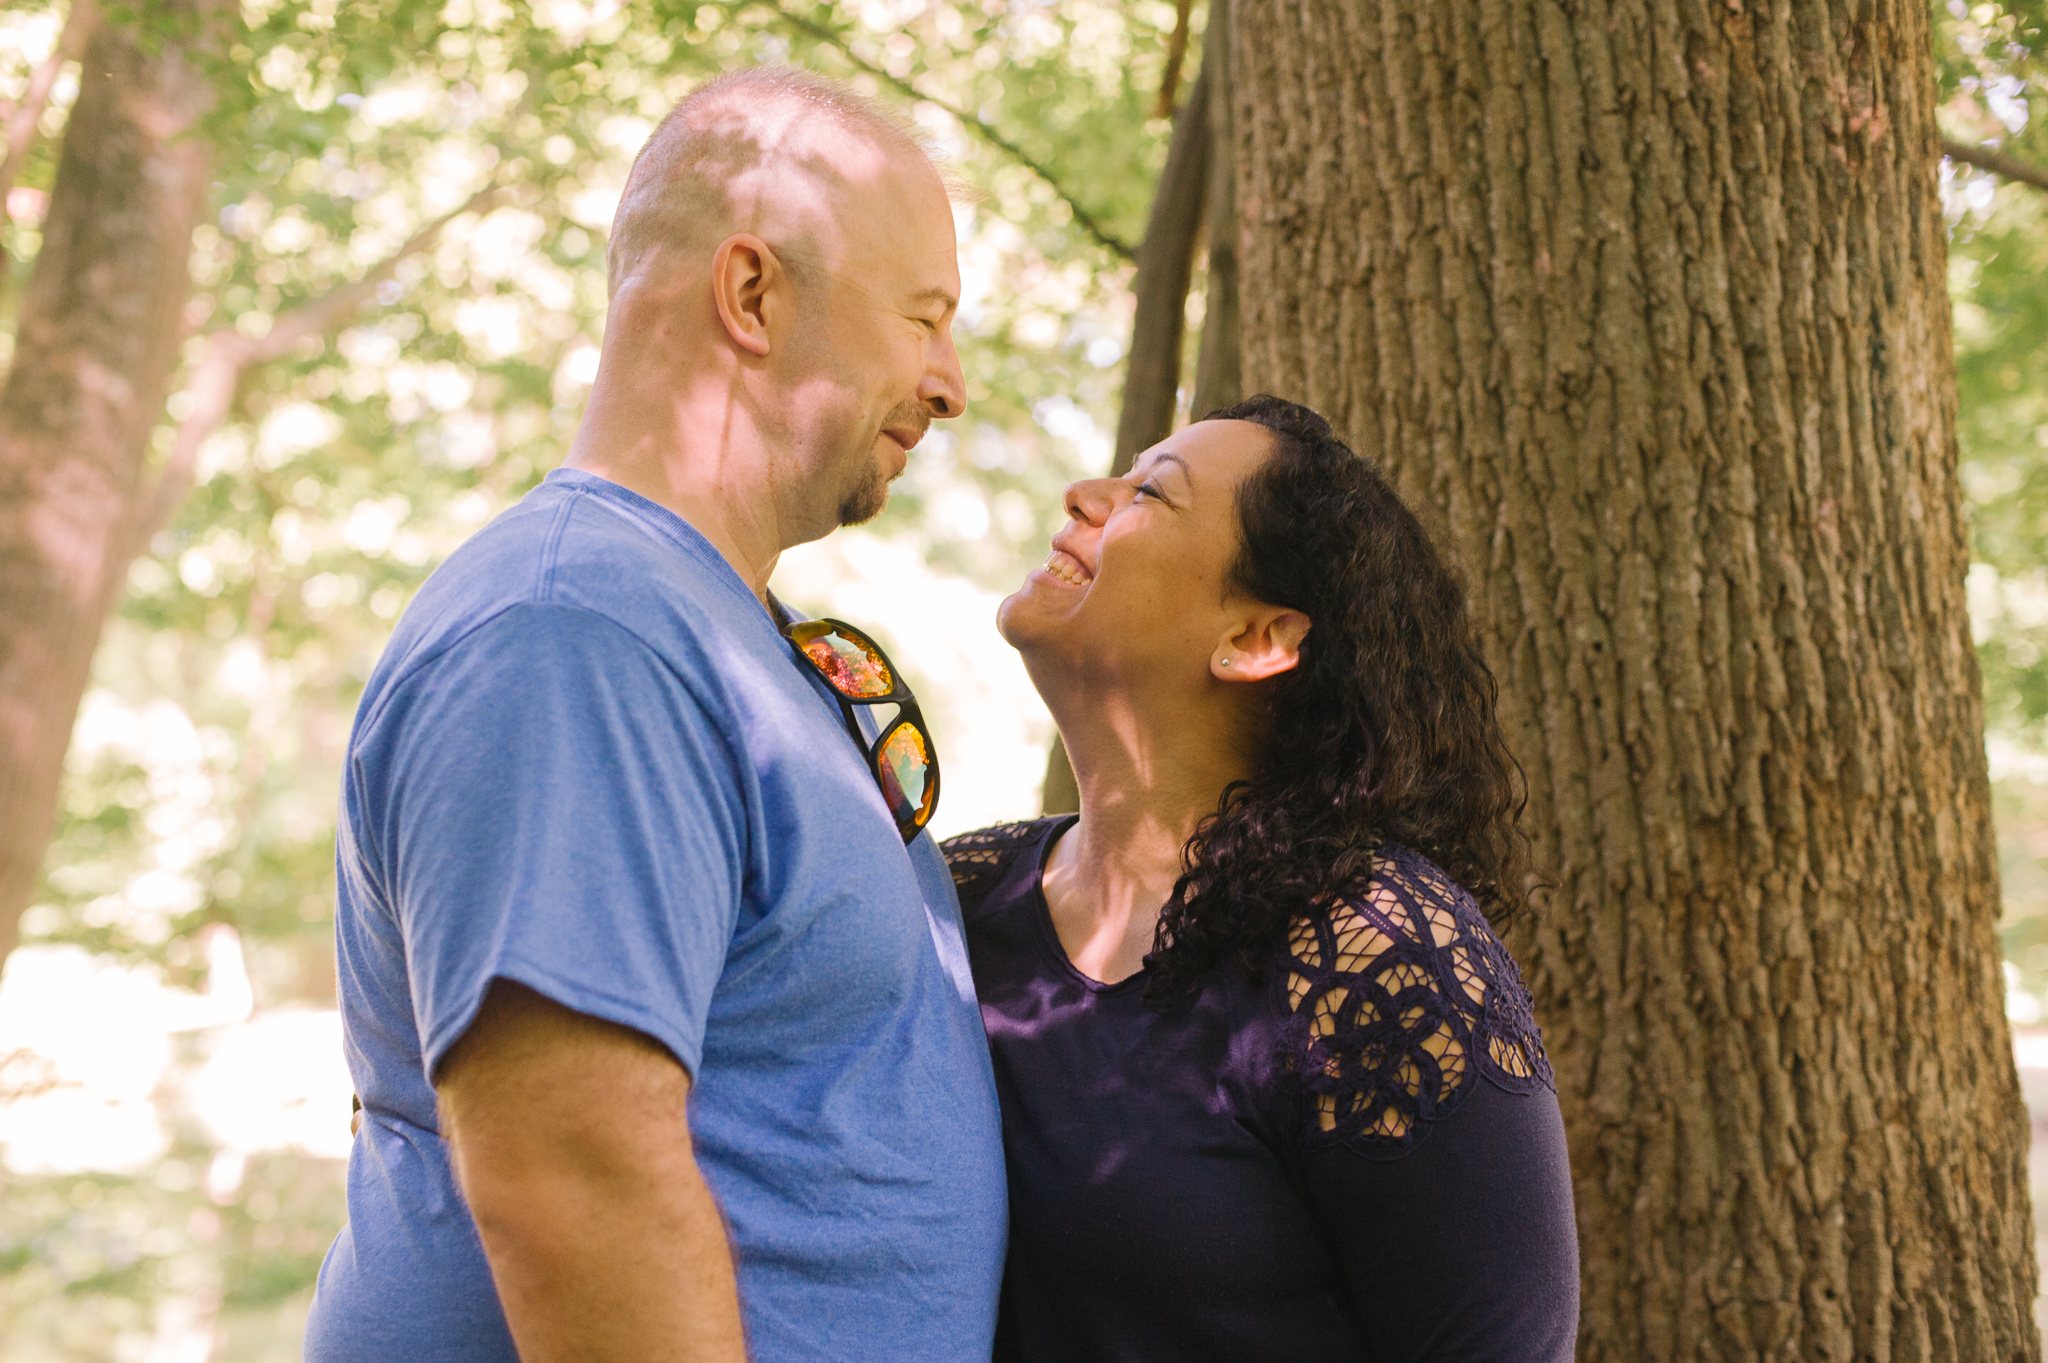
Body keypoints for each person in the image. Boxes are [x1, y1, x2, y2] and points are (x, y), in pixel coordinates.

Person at [304, 69, 1007, 1363]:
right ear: (751, 294)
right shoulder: (577, 631)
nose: (950, 382)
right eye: (924, 318)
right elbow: (572, 1184)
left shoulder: (696, 628)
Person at [943, 396, 1580, 1362]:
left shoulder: (1379, 964)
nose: (1084, 495)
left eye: (1150, 491)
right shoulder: (955, 898)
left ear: (1258, 639)